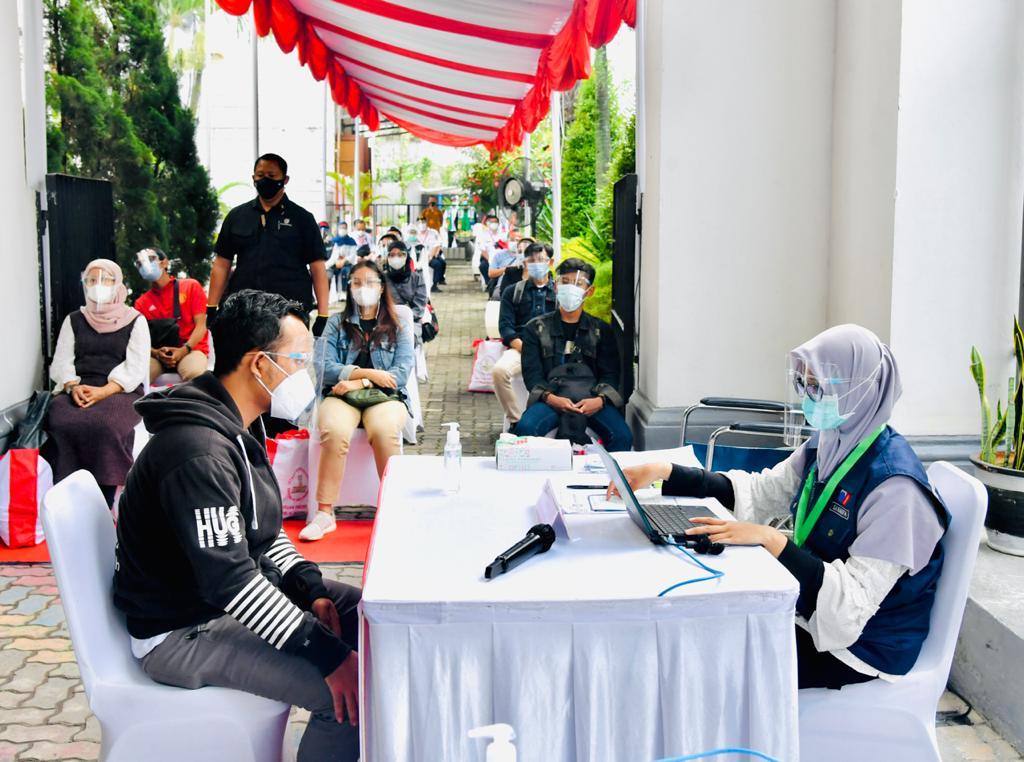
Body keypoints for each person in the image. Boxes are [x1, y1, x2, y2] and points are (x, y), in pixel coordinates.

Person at [615, 325, 948, 690]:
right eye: (803, 385)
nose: (809, 397)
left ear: (860, 389)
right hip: (813, 608)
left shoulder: (896, 489)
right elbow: (764, 491)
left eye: (819, 387)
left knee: (708, 657)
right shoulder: (831, 442)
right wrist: (669, 473)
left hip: (861, 647)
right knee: (699, 624)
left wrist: (773, 542)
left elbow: (852, 607)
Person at [112, 289, 361, 761]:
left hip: (218, 603)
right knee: (351, 695)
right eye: (299, 358)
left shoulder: (239, 423)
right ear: (258, 364)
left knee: (373, 617)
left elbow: (263, 537)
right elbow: (232, 583)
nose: (306, 373)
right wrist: (328, 656)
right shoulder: (198, 452)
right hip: (184, 631)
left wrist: (310, 588)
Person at [304, 262, 413, 542]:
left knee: (385, 430)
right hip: (340, 396)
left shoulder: (398, 325)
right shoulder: (334, 324)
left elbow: (399, 375)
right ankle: (325, 512)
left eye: (370, 282)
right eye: (356, 282)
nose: (363, 288)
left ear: (381, 287)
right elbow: (323, 366)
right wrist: (366, 373)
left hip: (384, 398)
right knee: (335, 430)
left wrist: (359, 382)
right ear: (349, 287)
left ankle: (395, 505)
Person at [45, 259, 149, 506]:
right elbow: (62, 361)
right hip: (78, 387)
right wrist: (72, 386)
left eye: (105, 279)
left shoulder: (135, 320)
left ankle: (104, 494)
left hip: (120, 391)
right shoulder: (74, 319)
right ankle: (65, 491)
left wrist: (105, 391)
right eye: (92, 280)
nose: (98, 285)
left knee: (105, 424)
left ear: (118, 284)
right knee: (60, 419)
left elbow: (135, 367)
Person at [207, 153, 330, 338]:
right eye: (260, 175)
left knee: (284, 363)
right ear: (253, 178)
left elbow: (318, 268)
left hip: (290, 310)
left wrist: (323, 314)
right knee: (244, 362)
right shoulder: (237, 216)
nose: (265, 180)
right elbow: (221, 264)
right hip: (244, 309)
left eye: (272, 176)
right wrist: (211, 306)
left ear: (285, 179)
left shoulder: (302, 218)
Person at [516, 258, 632, 451]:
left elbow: (611, 373)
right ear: (556, 286)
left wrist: (600, 400)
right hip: (552, 399)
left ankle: (609, 480)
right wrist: (551, 398)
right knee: (526, 428)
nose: (571, 288)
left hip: (592, 398)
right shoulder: (535, 329)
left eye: (578, 284)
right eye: (565, 282)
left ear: (589, 291)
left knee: (622, 436)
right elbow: (532, 374)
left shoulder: (601, 330)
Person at [492, 243, 557, 426]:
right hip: (521, 349)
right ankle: (516, 421)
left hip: (553, 350)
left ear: (550, 262)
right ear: (525, 263)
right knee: (499, 372)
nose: (536, 264)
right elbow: (505, 328)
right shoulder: (513, 291)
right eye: (531, 260)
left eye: (541, 260)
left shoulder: (559, 291)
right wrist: (526, 348)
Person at [133, 247, 210, 383]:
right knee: (136, 376)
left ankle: (196, 403)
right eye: (140, 264)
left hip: (190, 350)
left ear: (164, 263)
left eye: (150, 259)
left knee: (195, 373)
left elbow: (202, 325)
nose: (145, 265)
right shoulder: (141, 303)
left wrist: (184, 350)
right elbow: (140, 340)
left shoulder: (191, 286)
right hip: (158, 356)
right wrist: (156, 353)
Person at [383, 241, 428, 345]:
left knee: (408, 339)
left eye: (400, 255)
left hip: (411, 321)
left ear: (406, 256)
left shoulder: (416, 278)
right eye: (392, 255)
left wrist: (403, 319)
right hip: (386, 320)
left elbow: (419, 307)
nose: (396, 258)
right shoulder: (382, 279)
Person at [413, 215, 445, 292]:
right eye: (419, 222)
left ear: (426, 222)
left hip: (431, 255)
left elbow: (437, 244)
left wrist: (431, 256)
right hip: (418, 257)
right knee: (437, 265)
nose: (421, 224)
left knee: (442, 263)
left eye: (423, 222)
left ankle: (436, 283)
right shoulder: (414, 233)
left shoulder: (433, 232)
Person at [476, 214, 503, 291]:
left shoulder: (502, 234)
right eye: (491, 222)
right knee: (483, 266)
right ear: (487, 223)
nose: (494, 224)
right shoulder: (482, 235)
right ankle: (490, 284)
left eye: (495, 222)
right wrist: (490, 260)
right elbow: (483, 250)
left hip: (501, 257)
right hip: (487, 257)